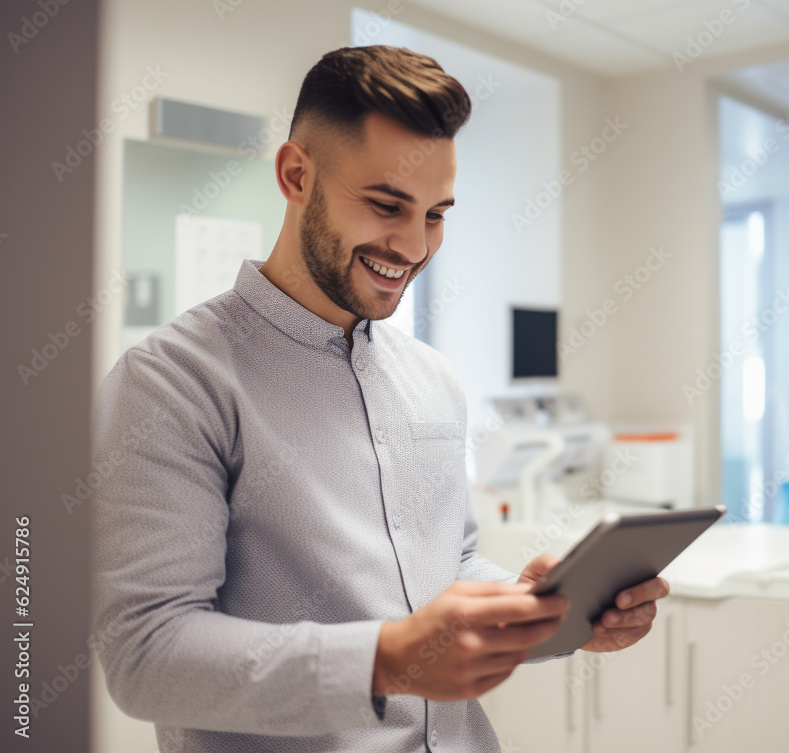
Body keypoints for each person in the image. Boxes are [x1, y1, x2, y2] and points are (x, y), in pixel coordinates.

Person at [92, 45, 669, 753]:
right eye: (387, 204)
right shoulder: (172, 383)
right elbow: (145, 654)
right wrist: (385, 659)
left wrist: (546, 609)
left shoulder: (433, 379)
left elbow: (446, 567)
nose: (414, 244)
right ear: (295, 174)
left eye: (436, 213)